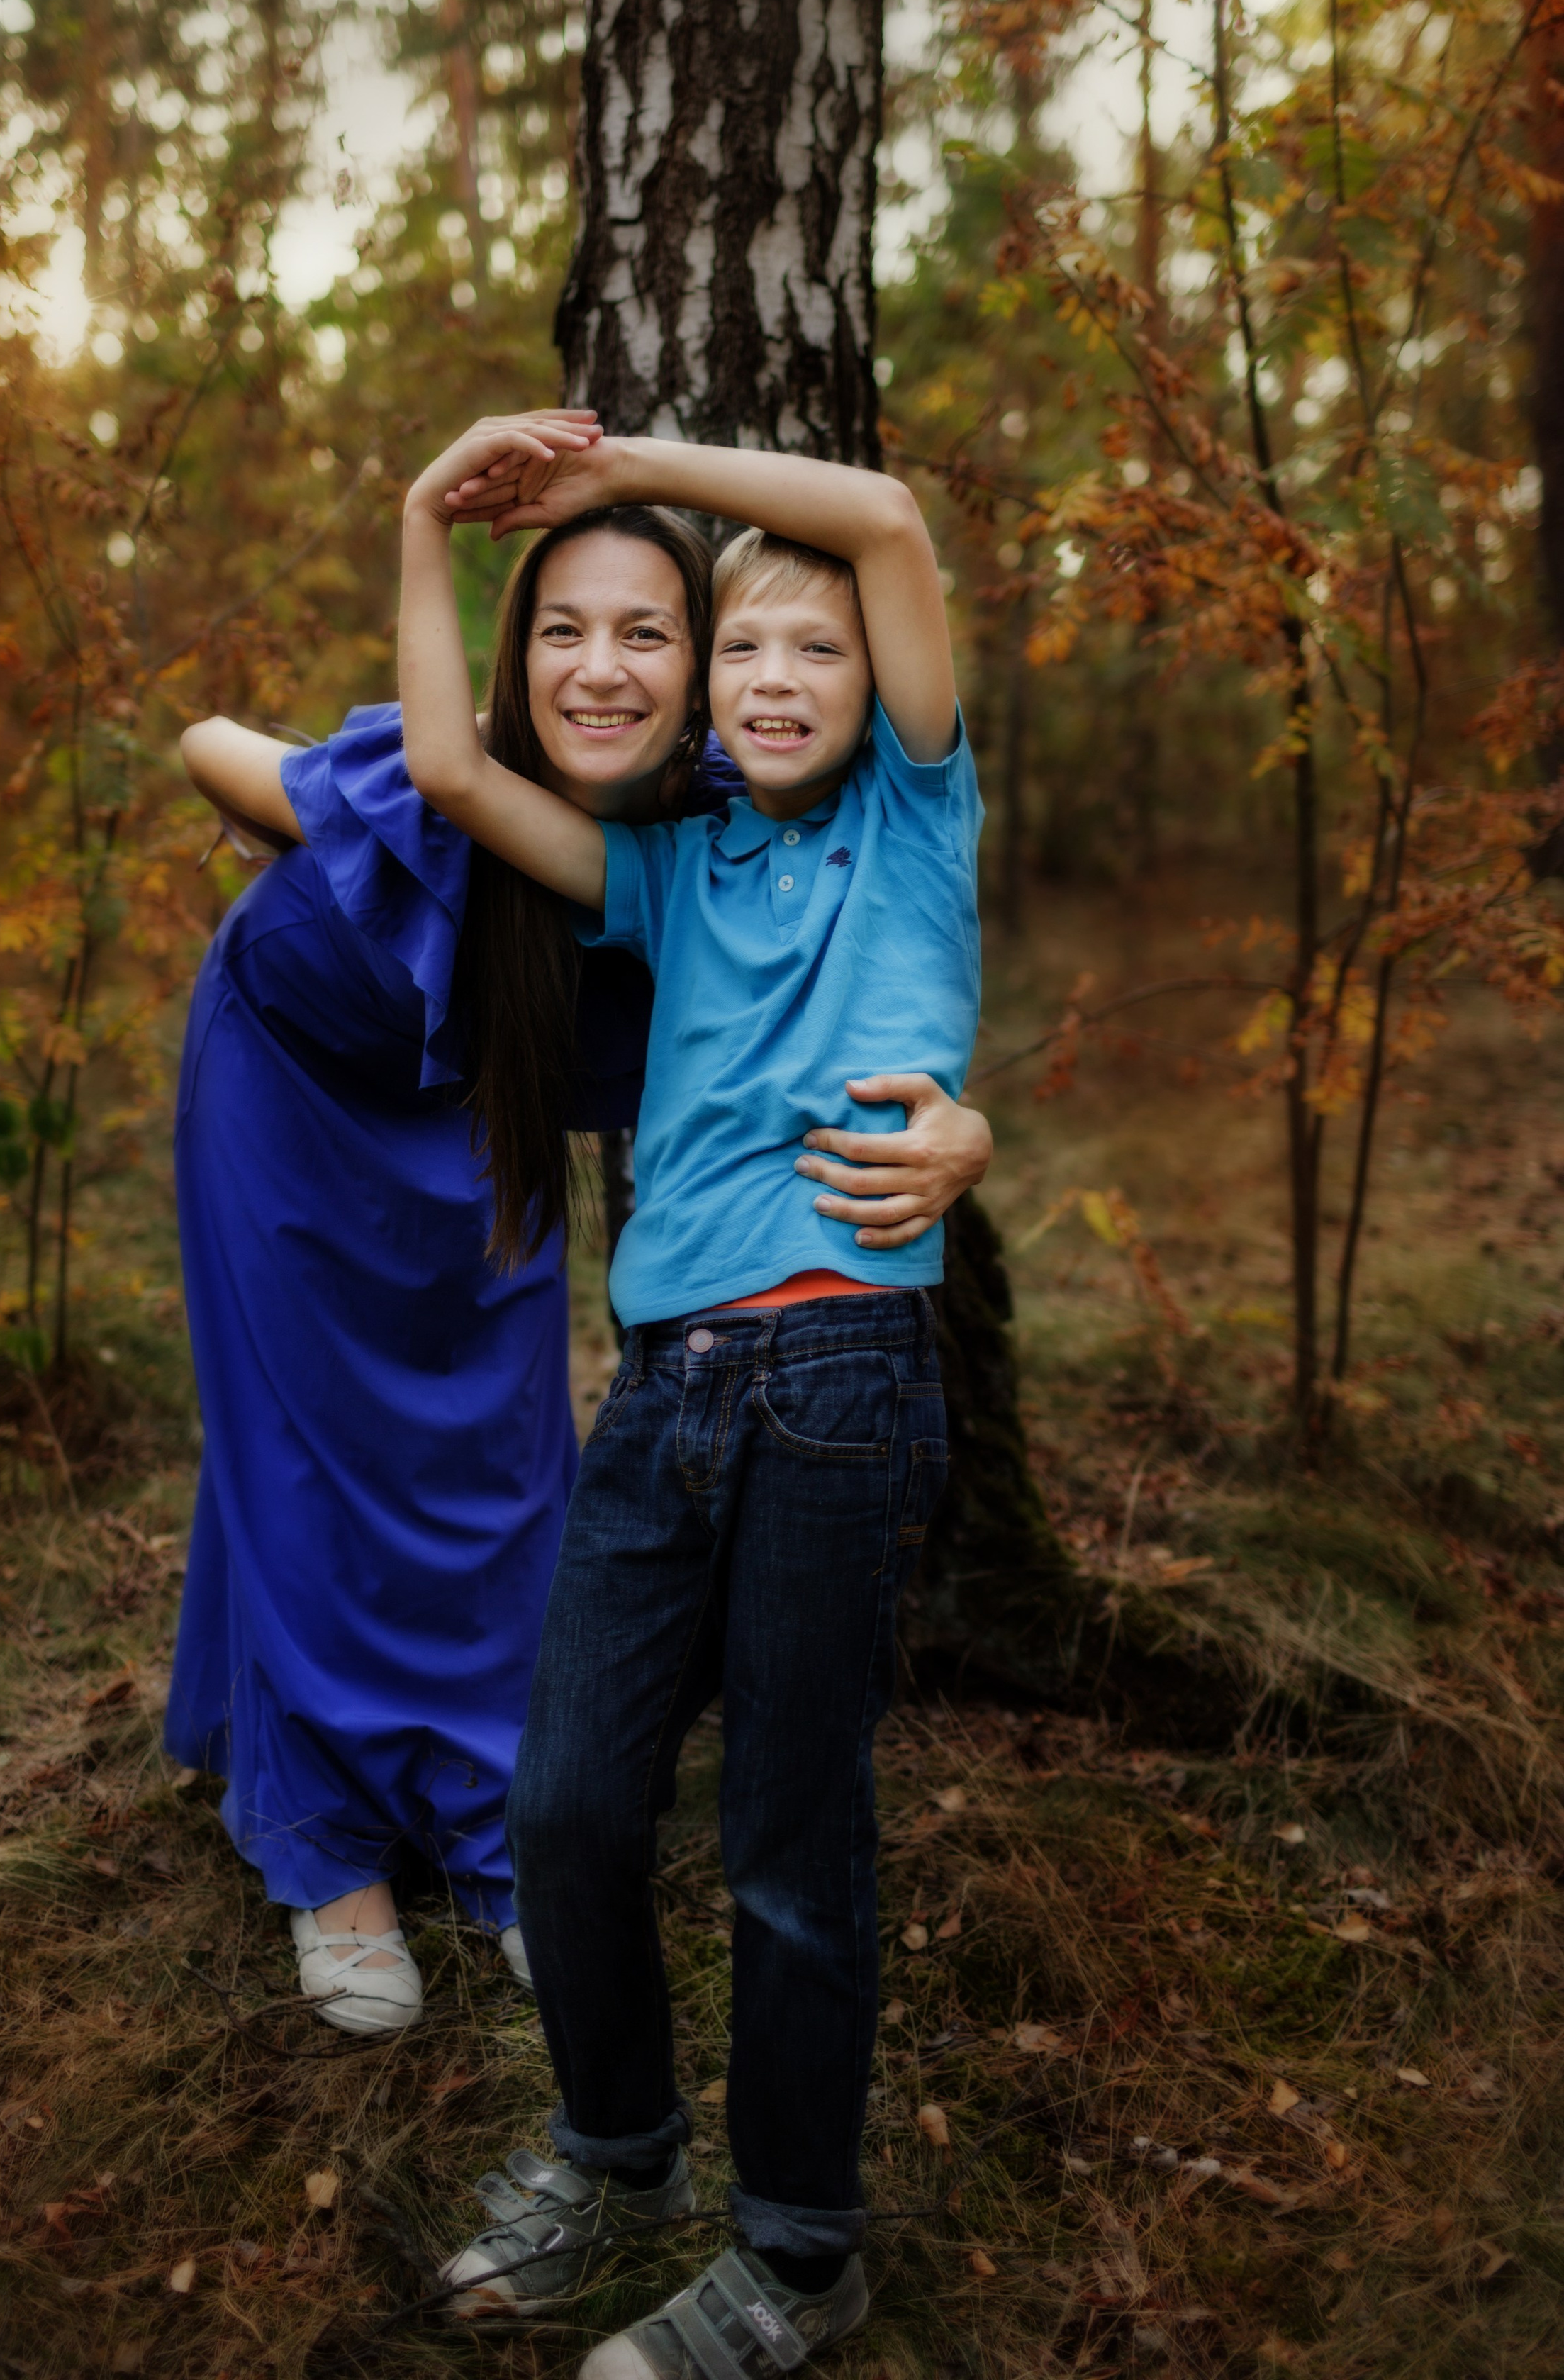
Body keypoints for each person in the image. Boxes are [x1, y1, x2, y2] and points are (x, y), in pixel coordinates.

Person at [164, 412, 993, 2044]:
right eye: (558, 629)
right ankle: (329, 1850)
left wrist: (961, 1130)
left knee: (499, 1458)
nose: (599, 669)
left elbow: (867, 987)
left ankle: (489, 1829)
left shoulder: (715, 835)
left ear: (690, 673)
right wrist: (417, 524)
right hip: (292, 1091)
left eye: (646, 634)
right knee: (301, 1448)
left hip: (485, 1130)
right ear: (510, 649)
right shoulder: (459, 775)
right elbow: (222, 746)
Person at [400, 420, 981, 2379]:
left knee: (786, 1846)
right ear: (707, 698)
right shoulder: (669, 868)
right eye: (750, 656)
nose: (787, 680)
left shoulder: (916, 819)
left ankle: (803, 2252)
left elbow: (885, 521)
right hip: (662, 1389)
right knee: (563, 1802)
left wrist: (619, 453)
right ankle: (619, 2154)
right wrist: (428, 521)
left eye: (822, 651)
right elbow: (449, 768)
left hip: (838, 1373)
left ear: (877, 683)